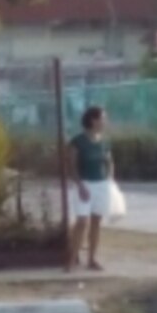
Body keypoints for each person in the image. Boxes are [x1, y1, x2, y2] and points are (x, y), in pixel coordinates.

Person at [66, 106, 114, 272]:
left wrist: (109, 178)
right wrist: (80, 185)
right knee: (81, 222)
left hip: (101, 184)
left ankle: (92, 259)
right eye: (102, 118)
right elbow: (71, 166)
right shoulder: (78, 141)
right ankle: (71, 260)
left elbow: (109, 161)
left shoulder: (104, 141)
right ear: (93, 120)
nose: (104, 122)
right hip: (84, 184)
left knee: (96, 221)